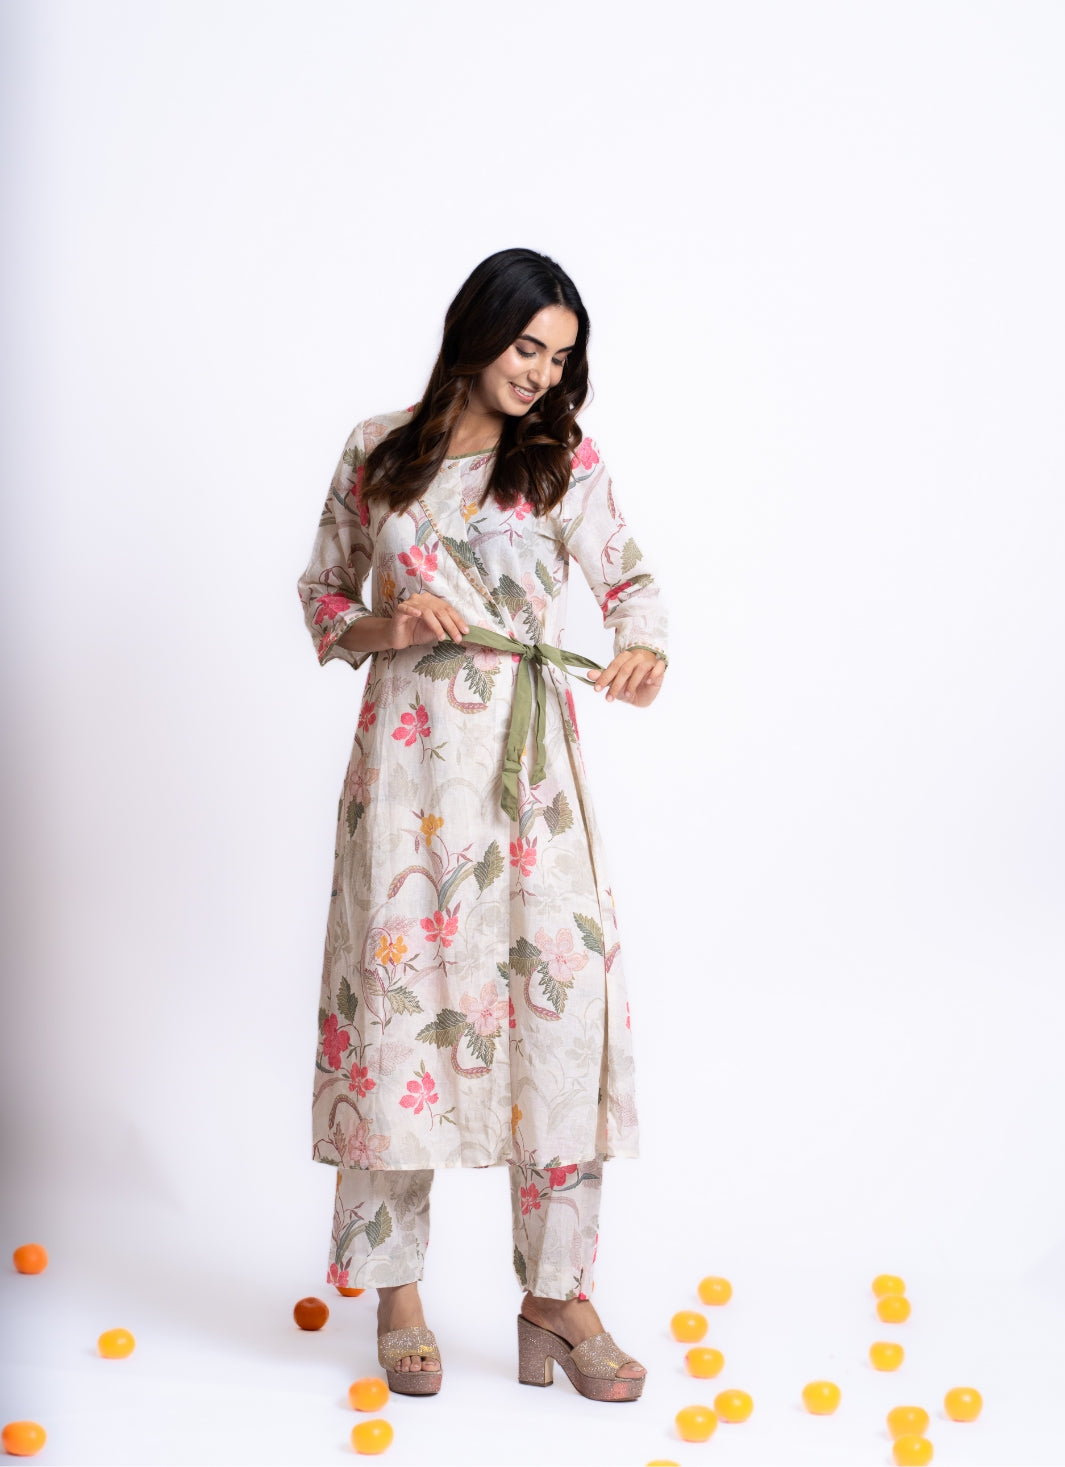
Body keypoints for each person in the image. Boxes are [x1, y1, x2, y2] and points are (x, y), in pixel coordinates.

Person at [297, 247, 669, 1403]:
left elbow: (631, 584)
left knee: (558, 1013)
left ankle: (556, 1297)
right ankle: (396, 1294)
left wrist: (642, 645)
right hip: (407, 776)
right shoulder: (377, 452)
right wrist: (391, 626)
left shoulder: (562, 459)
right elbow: (323, 597)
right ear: (477, 330)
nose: (541, 374)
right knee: (397, 1014)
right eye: (526, 347)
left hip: (530, 778)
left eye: (558, 358)